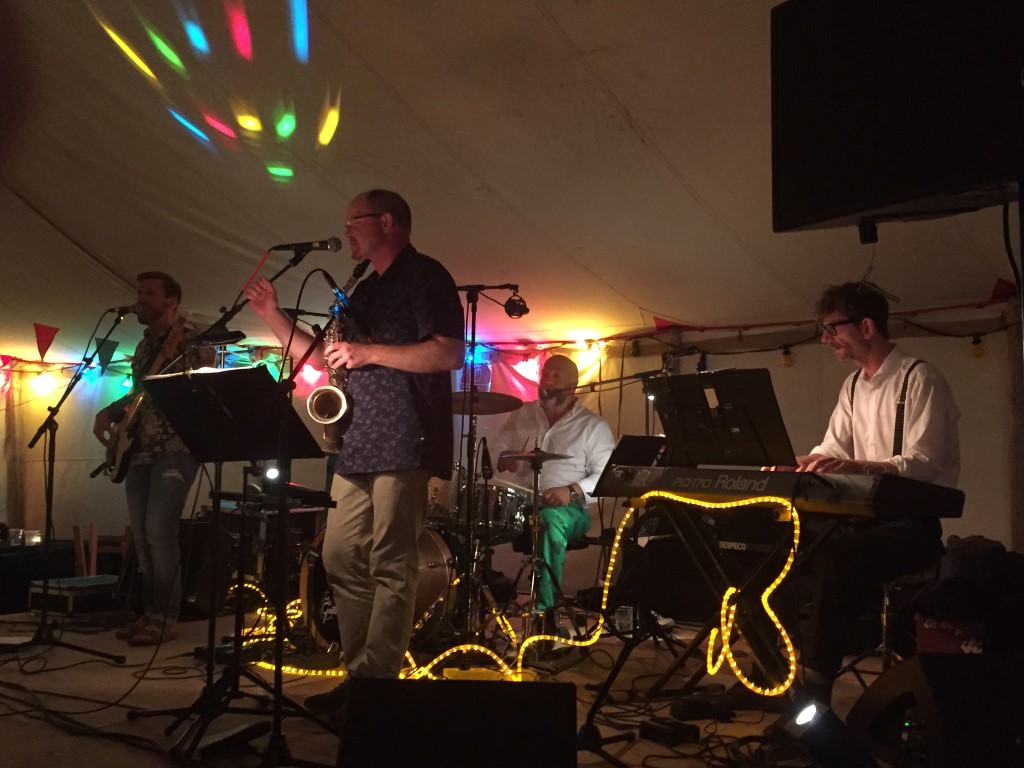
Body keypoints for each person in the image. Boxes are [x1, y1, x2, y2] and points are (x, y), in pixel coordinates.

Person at [244, 190, 464, 715]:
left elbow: (449, 351)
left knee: (391, 562)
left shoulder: (426, 274)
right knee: (340, 556)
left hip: (406, 436)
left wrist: (367, 352)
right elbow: (326, 358)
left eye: (353, 222)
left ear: (386, 222)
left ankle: (374, 686)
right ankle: (361, 673)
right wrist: (273, 315)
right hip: (360, 439)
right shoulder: (364, 287)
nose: (346, 232)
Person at [790, 281, 961, 704]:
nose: (826, 339)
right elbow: (833, 449)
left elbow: (924, 462)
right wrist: (799, 463)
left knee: (838, 558)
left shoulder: (920, 379)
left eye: (831, 329)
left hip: (913, 528)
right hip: (864, 521)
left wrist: (862, 466)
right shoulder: (852, 386)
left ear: (866, 327)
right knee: (785, 547)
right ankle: (776, 673)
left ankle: (813, 692)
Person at [93, 272, 212, 646]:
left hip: (176, 449)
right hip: (138, 450)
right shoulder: (144, 346)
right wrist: (110, 413)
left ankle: (166, 617)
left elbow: (201, 387)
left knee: (161, 531)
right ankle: (150, 611)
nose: (140, 298)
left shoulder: (190, 341)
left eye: (149, 293)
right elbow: (140, 394)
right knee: (142, 535)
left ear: (171, 302)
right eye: (139, 291)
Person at [492, 354, 616, 633]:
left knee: (547, 521)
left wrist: (570, 491)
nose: (547, 381)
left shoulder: (592, 426)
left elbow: (607, 477)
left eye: (556, 376)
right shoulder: (522, 413)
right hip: (521, 506)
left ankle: (544, 615)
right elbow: (495, 447)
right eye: (545, 375)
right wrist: (505, 458)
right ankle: (469, 604)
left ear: (573, 384)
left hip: (569, 511)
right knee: (469, 520)